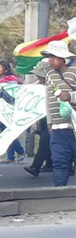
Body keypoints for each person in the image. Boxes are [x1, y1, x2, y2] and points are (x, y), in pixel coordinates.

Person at [40, 40, 76, 186]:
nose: (50, 60)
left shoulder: (74, 71)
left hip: (73, 127)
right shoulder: (48, 74)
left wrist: (71, 96)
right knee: (59, 162)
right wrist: (50, 123)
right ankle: (60, 193)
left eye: (53, 56)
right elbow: (48, 99)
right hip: (57, 129)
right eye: (49, 56)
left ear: (63, 58)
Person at [24, 61, 53, 177]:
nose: (38, 78)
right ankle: (49, 164)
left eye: (40, 76)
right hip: (43, 118)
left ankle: (36, 167)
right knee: (47, 141)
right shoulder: (37, 86)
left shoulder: (54, 85)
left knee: (45, 142)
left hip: (55, 117)